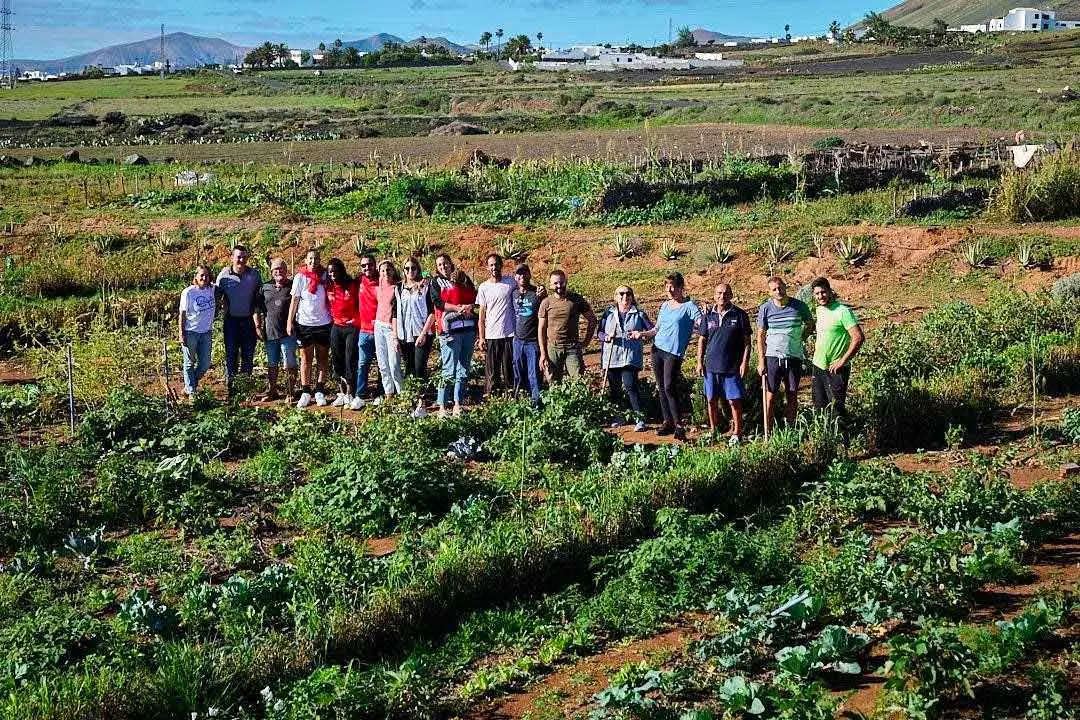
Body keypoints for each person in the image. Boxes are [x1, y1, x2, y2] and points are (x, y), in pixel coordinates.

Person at [631, 272, 702, 441]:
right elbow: (656, 329)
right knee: (661, 387)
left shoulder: (690, 306)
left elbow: (701, 324)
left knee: (670, 386)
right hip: (658, 349)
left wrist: (703, 321)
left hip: (674, 352)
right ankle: (667, 421)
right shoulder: (664, 306)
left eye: (673, 286)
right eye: (667, 286)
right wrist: (642, 334)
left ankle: (679, 425)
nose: (669, 290)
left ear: (681, 288)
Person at [696, 284, 752, 444]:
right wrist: (699, 361)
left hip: (731, 367)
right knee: (711, 399)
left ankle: (737, 432)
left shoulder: (740, 315)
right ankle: (714, 431)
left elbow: (747, 342)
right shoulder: (708, 316)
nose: (722, 296)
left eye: (726, 293)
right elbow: (702, 339)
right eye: (719, 293)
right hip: (711, 367)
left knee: (734, 401)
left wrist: (745, 362)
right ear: (714, 295)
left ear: (731, 295)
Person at [756, 276, 814, 434]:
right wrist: (761, 361)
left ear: (785, 286)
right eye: (774, 289)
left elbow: (810, 324)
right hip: (773, 357)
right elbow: (760, 335)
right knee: (770, 395)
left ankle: (791, 429)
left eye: (780, 287)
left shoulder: (798, 306)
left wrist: (800, 337)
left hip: (793, 356)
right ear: (769, 292)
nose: (778, 291)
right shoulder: (766, 308)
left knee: (792, 393)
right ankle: (768, 431)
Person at [597, 285, 652, 432]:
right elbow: (599, 333)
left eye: (628, 294)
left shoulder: (639, 314)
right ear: (615, 296)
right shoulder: (608, 314)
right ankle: (617, 416)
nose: (625, 297)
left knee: (630, 386)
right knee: (614, 388)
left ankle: (639, 419)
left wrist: (640, 334)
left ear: (632, 297)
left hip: (630, 357)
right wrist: (606, 337)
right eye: (621, 294)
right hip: (612, 356)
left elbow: (652, 330)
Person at [810, 277, 864, 416]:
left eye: (823, 292)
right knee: (820, 408)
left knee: (836, 410)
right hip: (819, 366)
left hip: (836, 369)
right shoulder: (819, 310)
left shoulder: (843, 311)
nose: (820, 296)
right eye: (817, 294)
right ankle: (825, 437)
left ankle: (843, 437)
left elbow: (858, 337)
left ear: (829, 291)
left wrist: (842, 361)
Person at [287, 249, 332, 408]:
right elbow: (294, 300)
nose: (314, 261)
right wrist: (289, 321)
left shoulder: (325, 276)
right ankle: (306, 391)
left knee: (322, 358)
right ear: (306, 260)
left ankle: (319, 390)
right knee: (305, 359)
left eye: (317, 258)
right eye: (311, 258)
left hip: (323, 323)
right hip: (304, 324)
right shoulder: (300, 277)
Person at [216, 245, 262, 395]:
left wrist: (258, 323)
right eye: (238, 257)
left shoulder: (254, 275)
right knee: (231, 355)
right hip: (231, 322)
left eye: (244, 257)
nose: (241, 260)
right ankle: (232, 390)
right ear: (232, 258)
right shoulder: (223, 276)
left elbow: (258, 300)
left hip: (248, 321)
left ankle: (245, 388)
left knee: (248, 356)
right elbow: (216, 296)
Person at [538, 270, 595, 383]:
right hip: (553, 348)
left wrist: (586, 341)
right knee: (554, 383)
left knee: (578, 382)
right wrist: (543, 353)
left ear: (566, 282)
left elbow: (592, 319)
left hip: (572, 348)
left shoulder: (576, 299)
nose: (559, 286)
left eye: (561, 282)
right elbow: (542, 329)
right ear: (550, 285)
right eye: (555, 283)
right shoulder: (546, 302)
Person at [254, 258, 298, 401]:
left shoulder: (293, 287)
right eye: (275, 270)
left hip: (287, 333)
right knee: (272, 364)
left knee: (289, 363)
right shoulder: (265, 287)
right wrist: (258, 326)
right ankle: (272, 391)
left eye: (281, 269)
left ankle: (290, 392)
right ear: (271, 272)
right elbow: (257, 308)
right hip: (270, 332)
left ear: (286, 271)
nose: (278, 272)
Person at [436, 269, 477, 417]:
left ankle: (457, 403)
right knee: (448, 370)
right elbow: (444, 314)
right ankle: (442, 405)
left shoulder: (470, 290)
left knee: (463, 369)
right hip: (452, 334)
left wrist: (471, 307)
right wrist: (446, 333)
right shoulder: (448, 291)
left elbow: (476, 306)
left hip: (468, 332)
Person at [477, 253, 518, 396]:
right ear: (488, 268)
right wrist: (482, 337)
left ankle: (511, 397)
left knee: (509, 370)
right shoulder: (483, 287)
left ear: (501, 265)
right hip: (492, 334)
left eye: (496, 264)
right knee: (492, 372)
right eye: (491, 265)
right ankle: (491, 399)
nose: (494, 267)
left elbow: (525, 287)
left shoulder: (511, 282)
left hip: (509, 334)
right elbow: (481, 315)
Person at [325, 258, 359, 408]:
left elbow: (361, 303)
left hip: (351, 327)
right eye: (330, 271)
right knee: (337, 361)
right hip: (336, 327)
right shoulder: (328, 286)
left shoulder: (352, 285)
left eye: (335, 271)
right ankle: (341, 393)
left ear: (341, 270)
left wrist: (356, 320)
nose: (332, 274)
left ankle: (350, 393)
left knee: (350, 359)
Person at [178, 264, 215, 398]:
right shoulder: (188, 292)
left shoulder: (212, 289)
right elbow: (182, 314)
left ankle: (189, 386)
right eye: (201, 275)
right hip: (191, 332)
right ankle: (192, 392)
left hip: (206, 332)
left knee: (205, 364)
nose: (204, 278)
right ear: (196, 277)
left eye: (206, 275)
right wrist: (181, 333)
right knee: (189, 362)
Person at [396, 257, 435, 380]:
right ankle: (412, 395)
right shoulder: (399, 288)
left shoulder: (425, 287)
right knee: (409, 368)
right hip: (405, 333)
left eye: (413, 268)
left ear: (418, 269)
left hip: (422, 332)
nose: (410, 271)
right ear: (403, 270)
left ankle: (421, 397)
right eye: (407, 268)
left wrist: (423, 334)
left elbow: (432, 312)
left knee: (419, 368)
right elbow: (395, 312)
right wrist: (395, 335)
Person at [511, 264, 543, 405]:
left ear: (530, 275)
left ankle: (536, 403)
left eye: (525, 273)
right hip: (517, 341)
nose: (522, 276)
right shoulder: (513, 293)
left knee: (534, 374)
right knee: (517, 372)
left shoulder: (537, 293)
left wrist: (544, 292)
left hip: (532, 341)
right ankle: (518, 402)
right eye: (519, 274)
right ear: (515, 277)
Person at [374, 260, 405, 401]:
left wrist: (396, 334)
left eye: (388, 270)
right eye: (382, 270)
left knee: (394, 364)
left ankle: (402, 393)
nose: (385, 273)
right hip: (378, 327)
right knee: (383, 364)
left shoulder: (397, 288)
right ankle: (389, 393)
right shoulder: (378, 287)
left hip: (391, 329)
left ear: (393, 271)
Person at [352, 254, 379, 410]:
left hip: (381, 330)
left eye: (369, 265)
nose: (367, 268)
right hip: (364, 330)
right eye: (363, 266)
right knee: (362, 364)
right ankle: (360, 395)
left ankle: (379, 394)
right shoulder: (358, 281)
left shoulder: (382, 280)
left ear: (374, 265)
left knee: (382, 365)